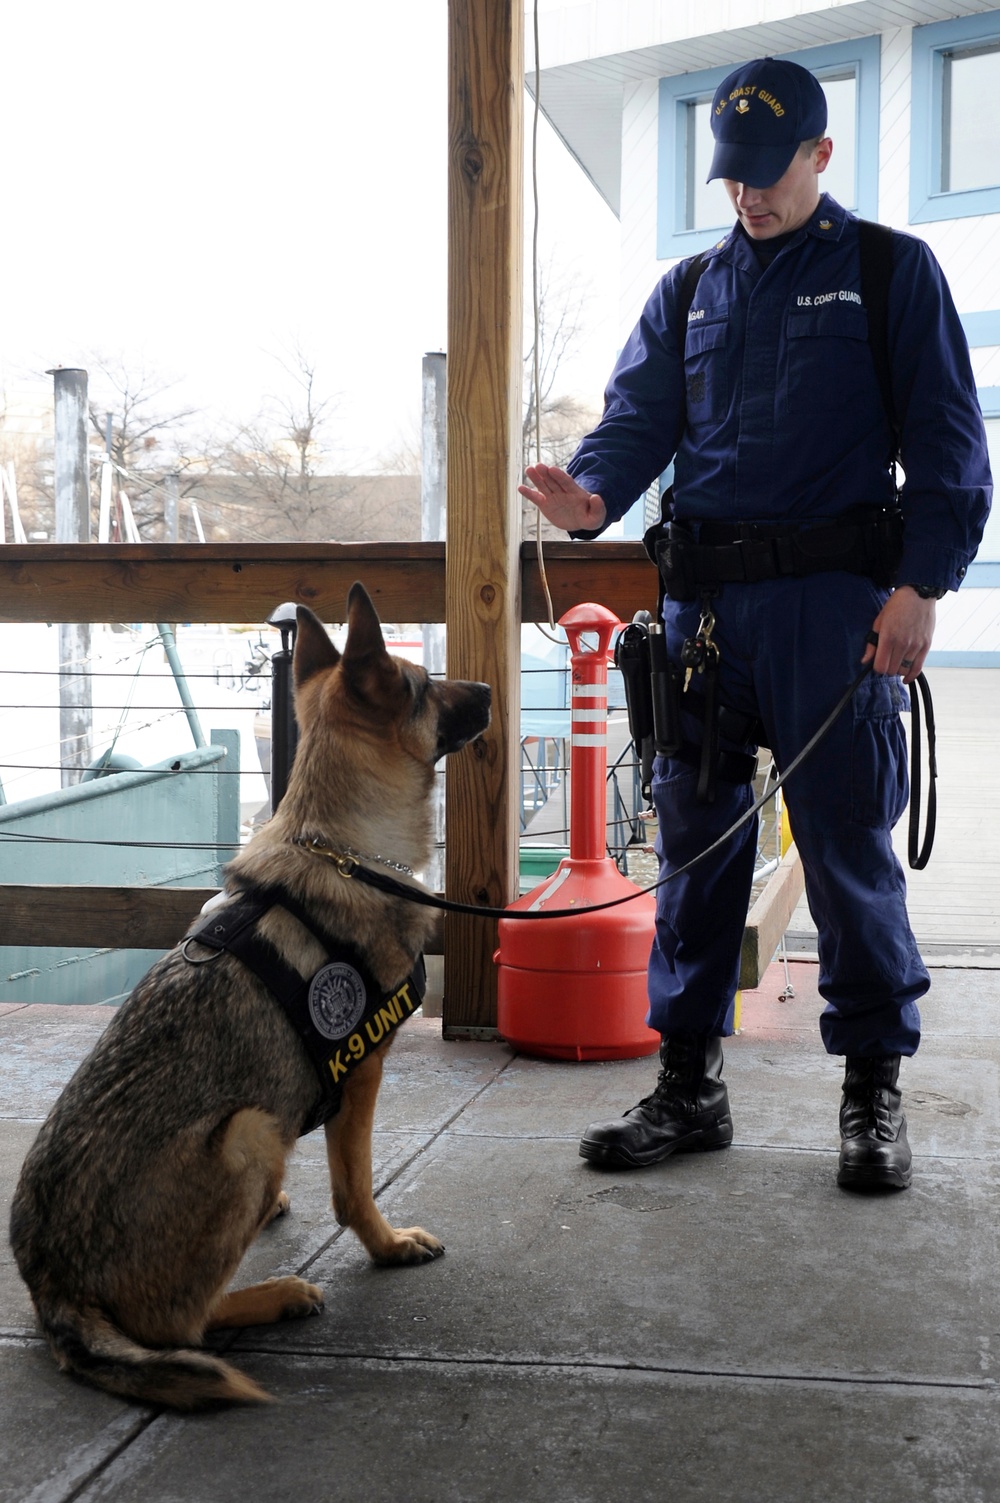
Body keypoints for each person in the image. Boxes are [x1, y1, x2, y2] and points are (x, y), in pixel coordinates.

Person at [519, 56, 992, 1192]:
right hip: (700, 618)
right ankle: (689, 1085)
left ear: (820, 156)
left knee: (843, 852)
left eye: (769, 172)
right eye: (730, 177)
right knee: (692, 848)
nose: (747, 195)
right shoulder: (687, 292)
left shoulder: (891, 272)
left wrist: (920, 587)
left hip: (834, 614)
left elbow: (948, 449)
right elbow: (635, 424)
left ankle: (872, 1093)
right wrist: (591, 502)